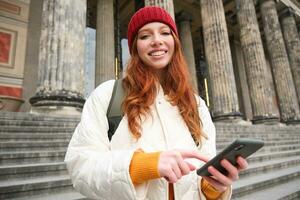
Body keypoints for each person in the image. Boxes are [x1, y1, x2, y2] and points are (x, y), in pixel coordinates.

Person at [65, 6, 248, 200]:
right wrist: (145, 165)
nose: (157, 41)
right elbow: (81, 167)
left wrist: (213, 188)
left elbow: (198, 180)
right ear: (135, 46)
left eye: (165, 33)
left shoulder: (196, 104)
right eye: (145, 36)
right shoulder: (107, 94)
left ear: (175, 42)